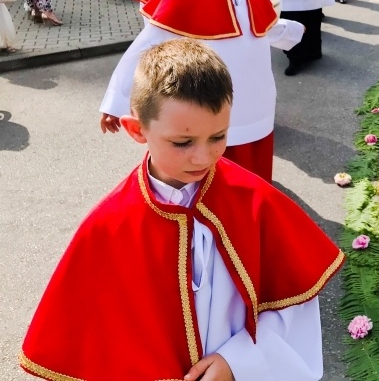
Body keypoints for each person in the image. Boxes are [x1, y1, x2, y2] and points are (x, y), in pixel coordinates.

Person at [24, 38, 344, 380]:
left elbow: (294, 307)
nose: (203, 157)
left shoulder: (256, 204)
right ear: (137, 130)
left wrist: (239, 362)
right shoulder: (110, 226)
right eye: (182, 143)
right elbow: (91, 340)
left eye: (218, 136)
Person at [100, 0, 304, 185]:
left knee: (255, 185)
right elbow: (145, 47)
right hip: (214, 117)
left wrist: (298, 31)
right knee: (216, 188)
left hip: (258, 107)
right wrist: (115, 101)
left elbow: (266, 28)